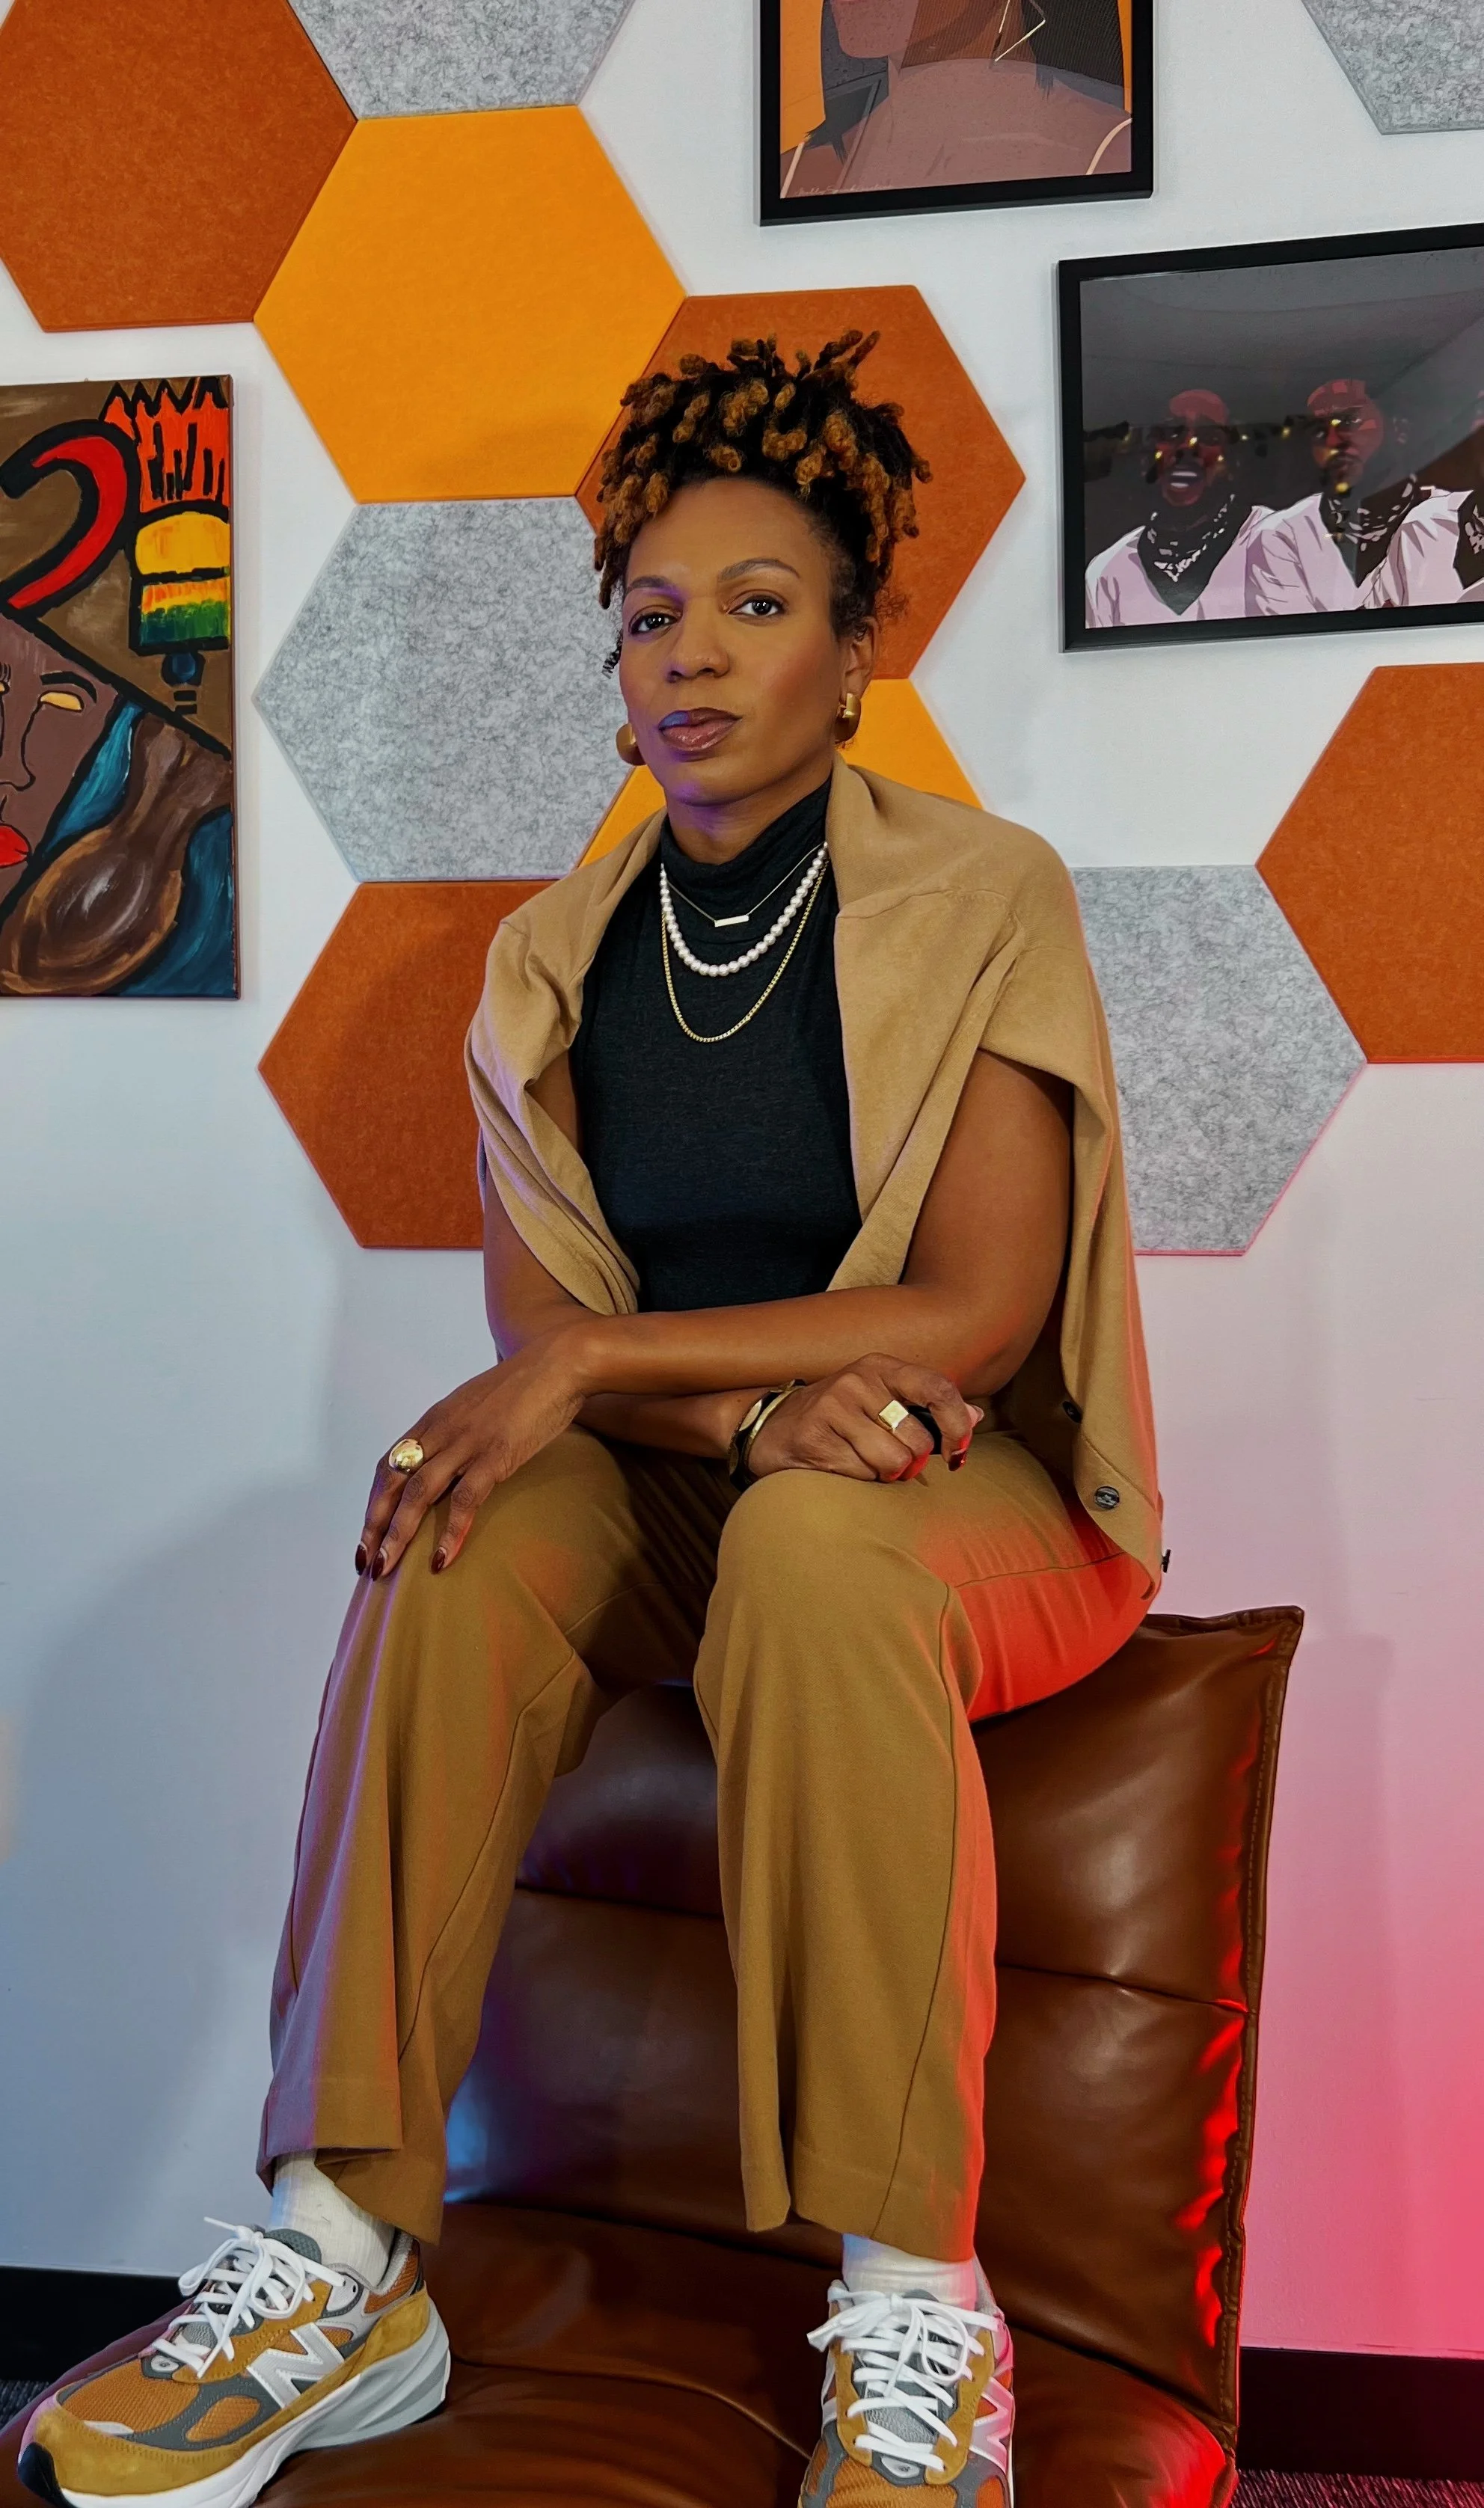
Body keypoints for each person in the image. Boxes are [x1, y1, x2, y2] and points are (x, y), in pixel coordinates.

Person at [22, 333, 1162, 2508]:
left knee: (822, 1551)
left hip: (971, 1478)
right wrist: (712, 1411)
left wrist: (620, 1375)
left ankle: (918, 2307)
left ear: (856, 646)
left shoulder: (975, 888)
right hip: (717, 1474)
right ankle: (345, 2252)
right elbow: (544, 1338)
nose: (695, 651)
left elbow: (979, 1300)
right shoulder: (550, 961)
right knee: (454, 1510)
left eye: (757, 602)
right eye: (651, 609)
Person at [1248, 378, 1438, 615]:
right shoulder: (1285, 535)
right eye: (1319, 430)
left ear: (1400, 429)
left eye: (1349, 421)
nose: (1332, 441)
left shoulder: (1452, 518)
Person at [1085, 387, 1271, 627]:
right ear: (1147, 458)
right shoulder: (1107, 573)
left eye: (1209, 436)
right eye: (1172, 432)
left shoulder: (1271, 540)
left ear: (1232, 461)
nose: (1187, 446)